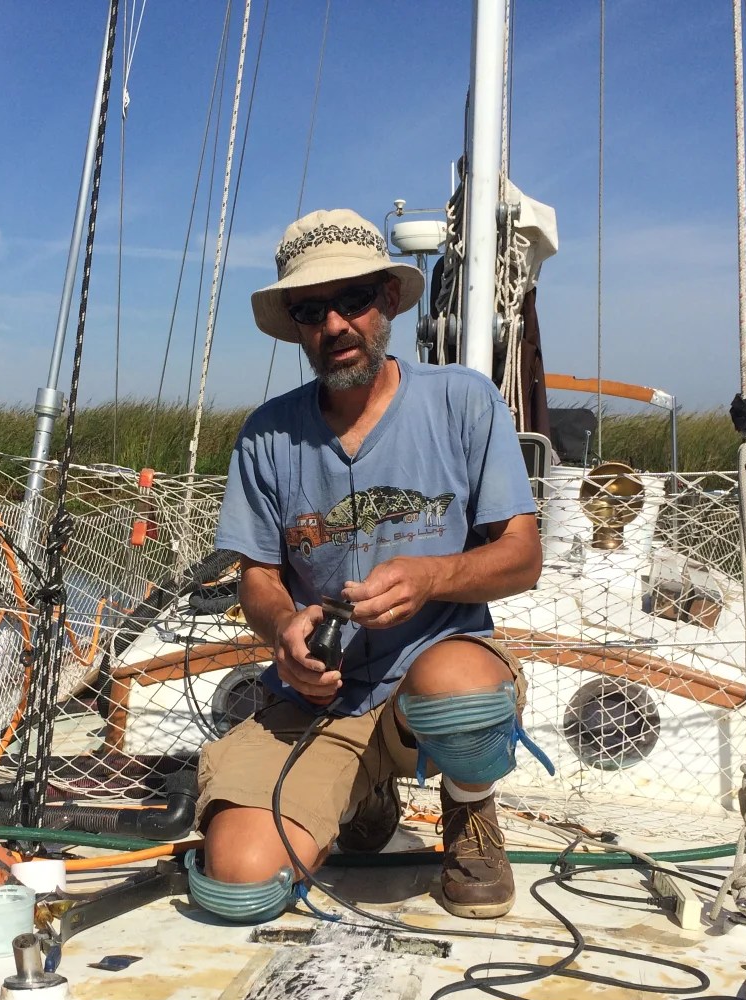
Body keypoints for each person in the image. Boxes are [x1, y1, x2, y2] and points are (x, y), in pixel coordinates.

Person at [194, 208, 545, 920]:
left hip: (433, 678)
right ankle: (364, 792)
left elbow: (522, 556)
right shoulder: (266, 435)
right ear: (295, 325)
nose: (335, 325)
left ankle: (470, 808)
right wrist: (285, 630)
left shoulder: (464, 400)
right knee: (239, 882)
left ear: (387, 299)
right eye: (311, 309)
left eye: (353, 299)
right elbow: (258, 577)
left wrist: (433, 577)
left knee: (460, 694)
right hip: (319, 702)